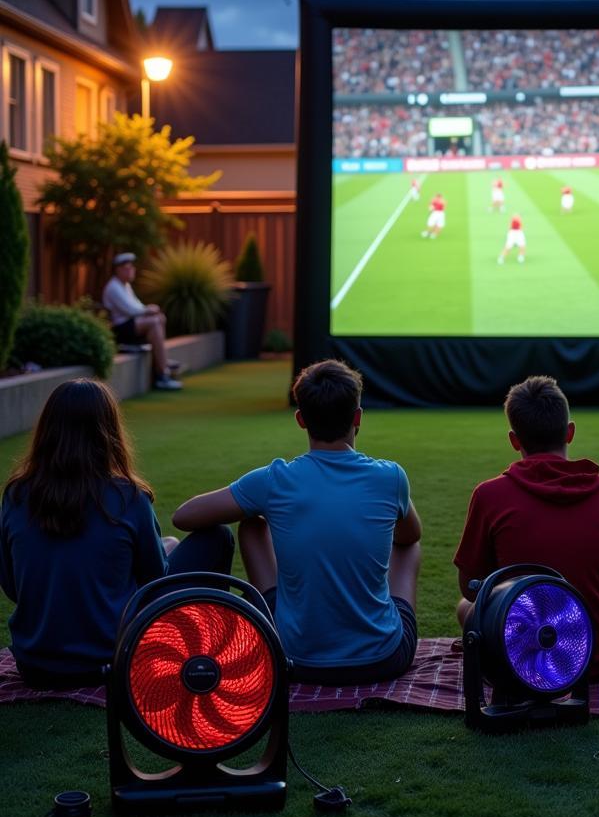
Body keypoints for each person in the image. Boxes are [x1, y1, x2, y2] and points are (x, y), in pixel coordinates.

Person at [172, 359, 422, 685]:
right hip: (383, 658)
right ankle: (375, 620)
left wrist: (264, 506)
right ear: (358, 417)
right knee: (408, 548)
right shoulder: (391, 477)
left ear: (301, 420)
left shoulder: (274, 480)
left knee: (252, 523)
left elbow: (183, 516)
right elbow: (410, 536)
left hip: (294, 659)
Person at [0, 379, 234, 689]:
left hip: (35, 664)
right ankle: (204, 657)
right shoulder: (127, 497)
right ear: (107, 431)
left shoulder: (16, 495)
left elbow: (14, 587)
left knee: (168, 544)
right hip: (113, 660)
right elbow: (154, 583)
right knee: (217, 537)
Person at [453, 375, 599, 679]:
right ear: (570, 432)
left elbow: (471, 586)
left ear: (514, 440)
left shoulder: (489, 495)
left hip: (521, 657)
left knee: (466, 607)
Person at [102, 252, 182, 391]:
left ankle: (161, 364)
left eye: (132, 267)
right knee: (154, 322)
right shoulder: (113, 287)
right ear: (118, 270)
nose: (132, 270)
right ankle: (162, 374)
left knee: (159, 319)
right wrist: (148, 309)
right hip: (120, 330)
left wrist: (148, 310)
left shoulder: (125, 286)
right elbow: (130, 310)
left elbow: (137, 305)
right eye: (127, 268)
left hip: (130, 326)